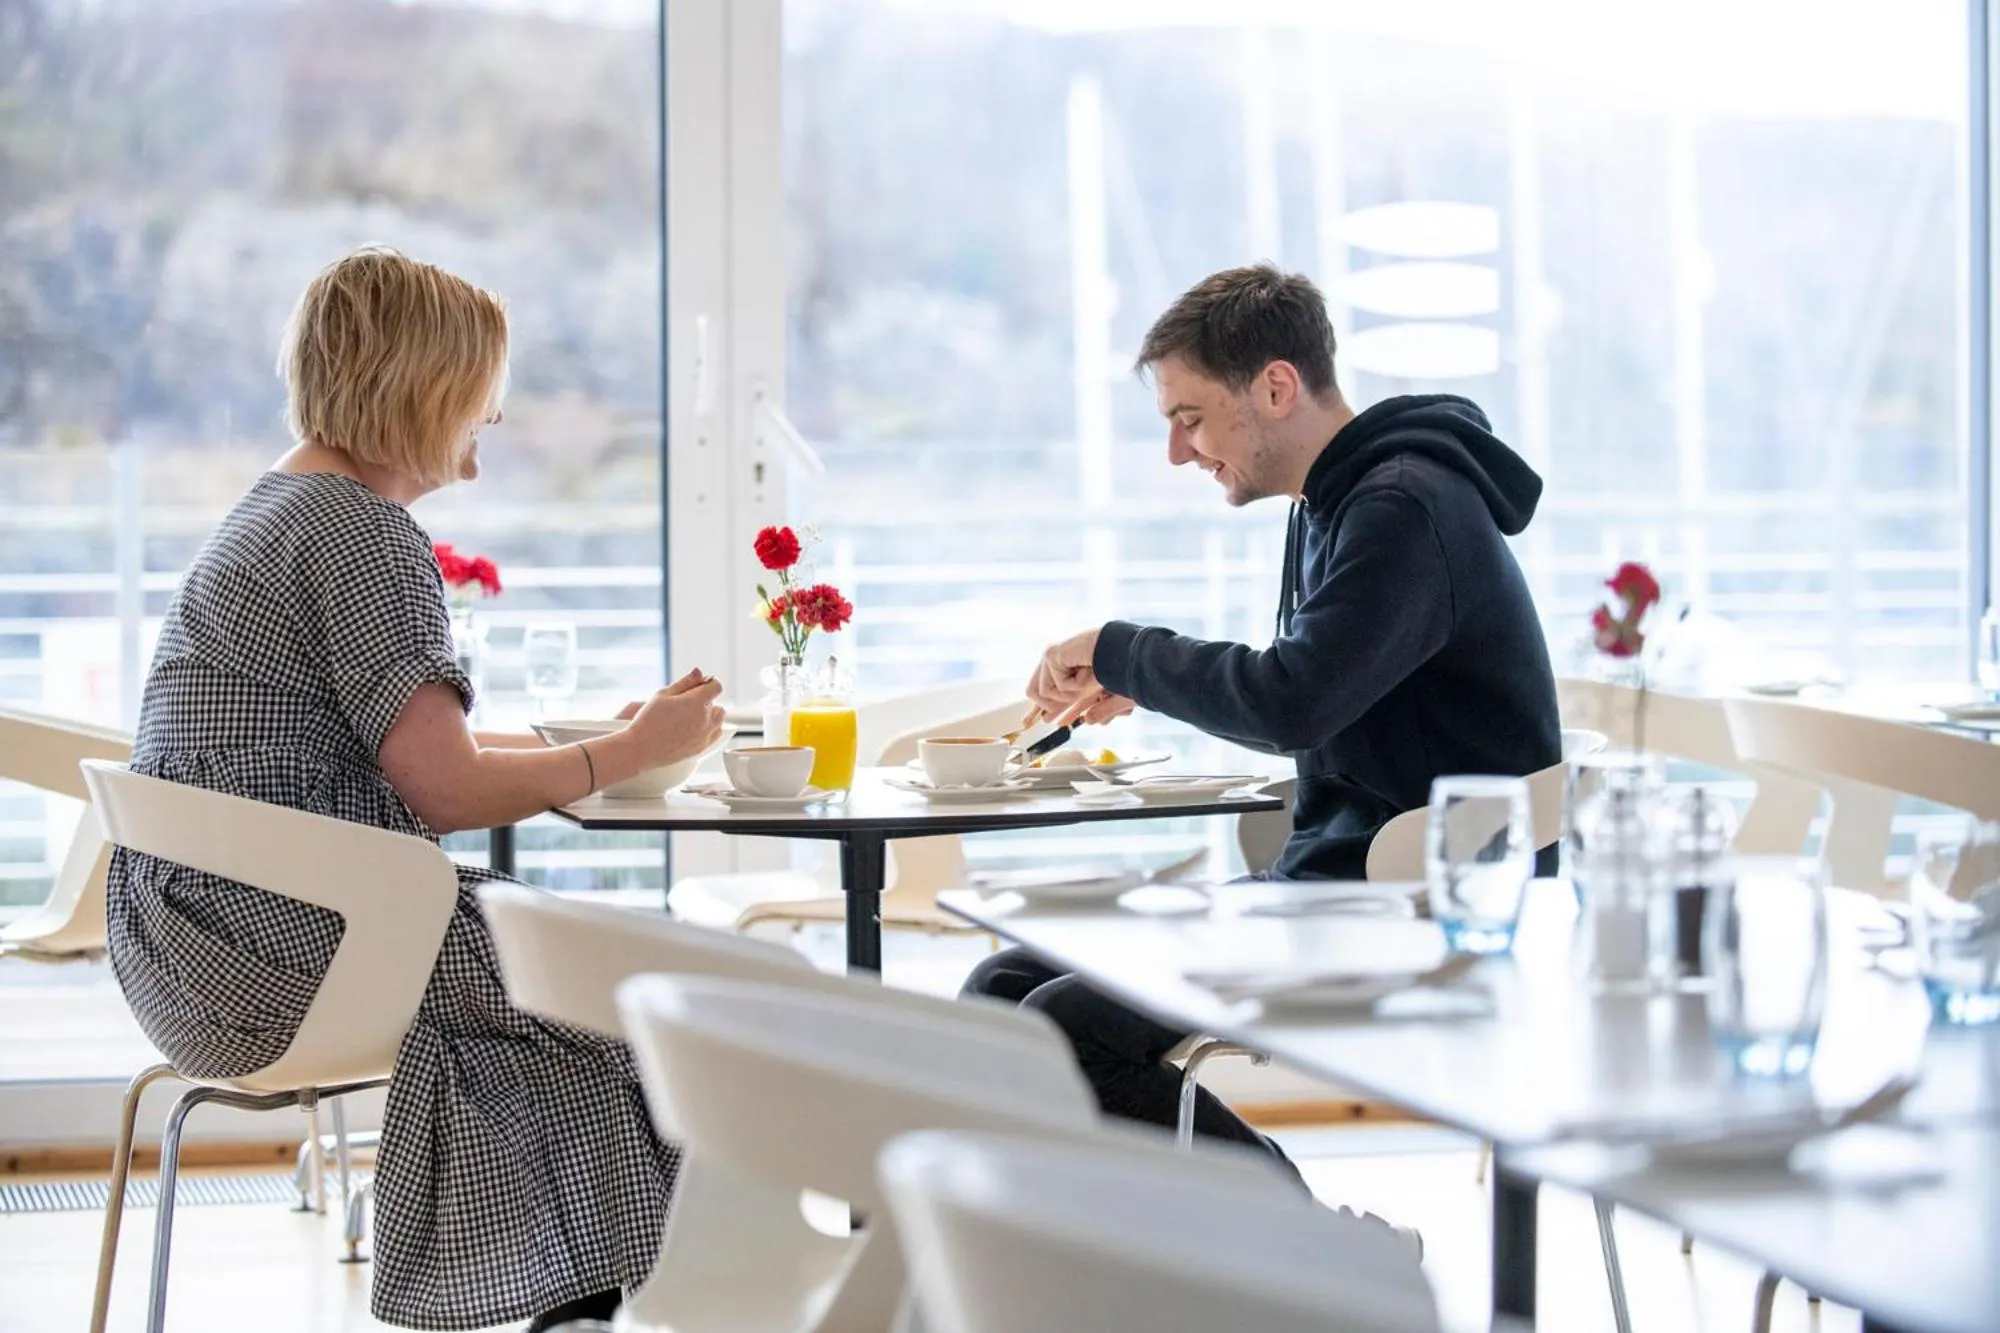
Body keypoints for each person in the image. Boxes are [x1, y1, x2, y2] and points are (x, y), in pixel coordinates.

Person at [106, 248, 723, 1332]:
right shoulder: (362, 537)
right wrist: (632, 751)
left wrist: (609, 736)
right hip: (299, 947)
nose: (477, 458)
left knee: (567, 997)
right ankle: (686, 1298)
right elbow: (441, 787)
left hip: (193, 946)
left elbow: (386, 747)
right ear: (422, 392)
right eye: (478, 421)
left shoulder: (278, 509)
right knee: (640, 993)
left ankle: (582, 1301)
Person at [963, 263, 1559, 1173]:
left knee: (1062, 1029)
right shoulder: (1338, 503)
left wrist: (1128, 651)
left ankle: (1307, 1251)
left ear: (1275, 387)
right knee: (1002, 988)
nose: (1177, 453)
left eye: (1189, 418)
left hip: (1422, 907)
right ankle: (1100, 1264)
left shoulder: (1403, 506)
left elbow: (1293, 698)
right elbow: (1317, 689)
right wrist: (1149, 681)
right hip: (1339, 878)